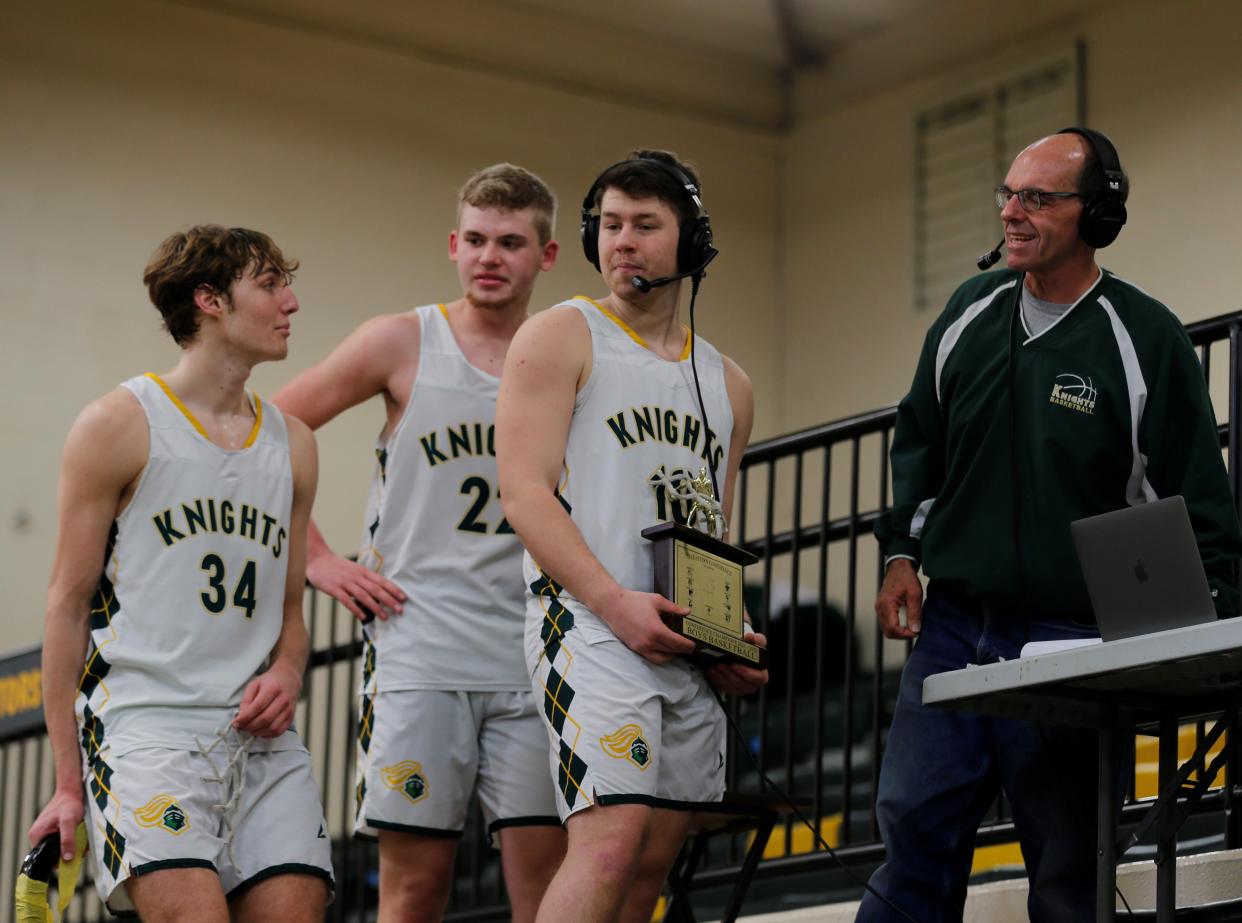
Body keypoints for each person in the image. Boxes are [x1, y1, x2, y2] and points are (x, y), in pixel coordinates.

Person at [859, 128, 1242, 922]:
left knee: (1069, 871)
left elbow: (1199, 501)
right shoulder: (970, 311)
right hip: (955, 625)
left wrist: (1211, 623)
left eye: (1037, 197)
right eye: (1007, 194)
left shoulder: (1145, 336)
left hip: (1075, 641)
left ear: (1095, 214)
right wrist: (900, 550)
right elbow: (919, 436)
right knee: (913, 839)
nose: (1012, 212)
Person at [270, 164, 564, 923]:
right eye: (474, 239)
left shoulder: (568, 354)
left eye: (509, 241)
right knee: (415, 888)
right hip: (421, 645)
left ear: (548, 255)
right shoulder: (402, 340)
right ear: (452, 244)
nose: (488, 256)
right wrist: (318, 557)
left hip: (533, 647)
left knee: (548, 886)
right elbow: (264, 432)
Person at [28, 225, 332, 922]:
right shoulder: (118, 423)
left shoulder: (296, 445)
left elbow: (290, 614)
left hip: (261, 743)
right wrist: (68, 784)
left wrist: (287, 673)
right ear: (209, 300)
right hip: (147, 731)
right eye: (271, 283)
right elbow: (66, 609)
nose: (291, 301)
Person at [495, 149, 769, 923]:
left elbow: (713, 524)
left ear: (693, 242)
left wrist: (729, 636)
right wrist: (615, 603)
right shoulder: (560, 335)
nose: (622, 241)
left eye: (645, 225)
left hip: (683, 643)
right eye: (609, 225)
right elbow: (523, 494)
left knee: (649, 865)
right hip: (590, 622)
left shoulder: (729, 384)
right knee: (608, 843)